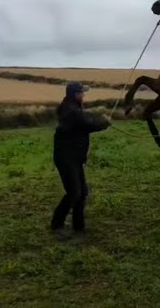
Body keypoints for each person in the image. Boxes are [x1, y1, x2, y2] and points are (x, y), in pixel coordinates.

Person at [51, 81, 112, 240]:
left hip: (73, 157)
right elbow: (88, 124)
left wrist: (99, 121)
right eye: (82, 93)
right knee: (74, 193)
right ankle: (57, 225)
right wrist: (105, 122)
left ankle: (79, 227)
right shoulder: (72, 111)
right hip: (66, 158)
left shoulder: (70, 106)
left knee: (81, 192)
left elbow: (84, 120)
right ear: (76, 94)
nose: (84, 95)